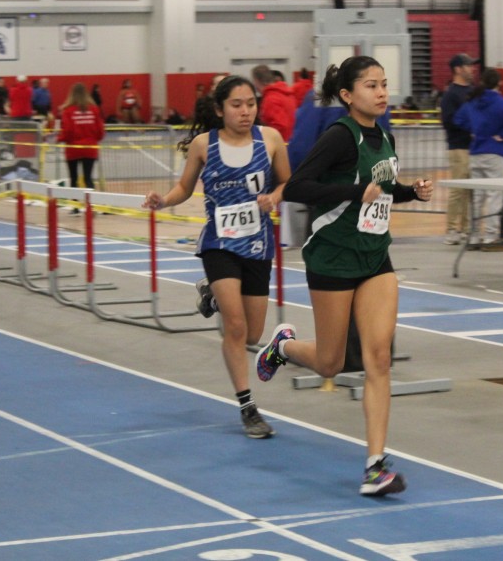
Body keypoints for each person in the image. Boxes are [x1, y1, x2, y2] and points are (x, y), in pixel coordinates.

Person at [256, 56, 433, 496]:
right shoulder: (339, 136)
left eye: (384, 83)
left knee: (378, 358)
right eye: (371, 85)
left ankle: (376, 466)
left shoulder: (386, 136)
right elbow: (298, 187)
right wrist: (354, 192)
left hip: (374, 258)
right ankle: (283, 346)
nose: (381, 92)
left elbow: (382, 192)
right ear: (348, 95)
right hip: (333, 257)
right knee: (331, 363)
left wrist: (411, 192)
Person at [143, 75, 290, 440]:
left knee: (253, 333)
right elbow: (184, 187)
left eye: (250, 104)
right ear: (220, 109)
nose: (245, 111)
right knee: (235, 327)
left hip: (257, 245)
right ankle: (247, 407)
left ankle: (211, 294)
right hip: (219, 244)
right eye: (236, 105)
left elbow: (288, 181)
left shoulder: (270, 139)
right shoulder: (203, 145)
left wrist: (275, 197)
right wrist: (163, 200)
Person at [453, 68, 503, 248]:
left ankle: (474, 235)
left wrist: (474, 129)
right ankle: (491, 235)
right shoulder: (500, 102)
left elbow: (458, 119)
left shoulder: (473, 101)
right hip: (494, 152)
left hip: (476, 152)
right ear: (499, 83)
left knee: (477, 196)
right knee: (494, 194)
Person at [440, 53, 479, 245]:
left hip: (474, 148)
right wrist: (468, 127)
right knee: (458, 189)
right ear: (458, 69)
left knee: (470, 190)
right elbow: (448, 121)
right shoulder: (451, 94)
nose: (472, 69)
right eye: (468, 66)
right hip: (458, 147)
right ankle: (452, 229)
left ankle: (466, 228)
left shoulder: (473, 91)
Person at [57, 83, 106, 195]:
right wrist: (93, 140)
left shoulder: (68, 111)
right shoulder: (94, 109)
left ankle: (75, 203)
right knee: (88, 178)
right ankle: (90, 202)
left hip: (73, 149)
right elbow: (100, 132)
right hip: (90, 148)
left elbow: (67, 132)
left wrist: (59, 138)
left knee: (73, 179)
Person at [251, 64, 295, 141]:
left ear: (257, 80)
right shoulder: (286, 93)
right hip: (292, 140)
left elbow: (279, 126)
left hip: (281, 143)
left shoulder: (271, 99)